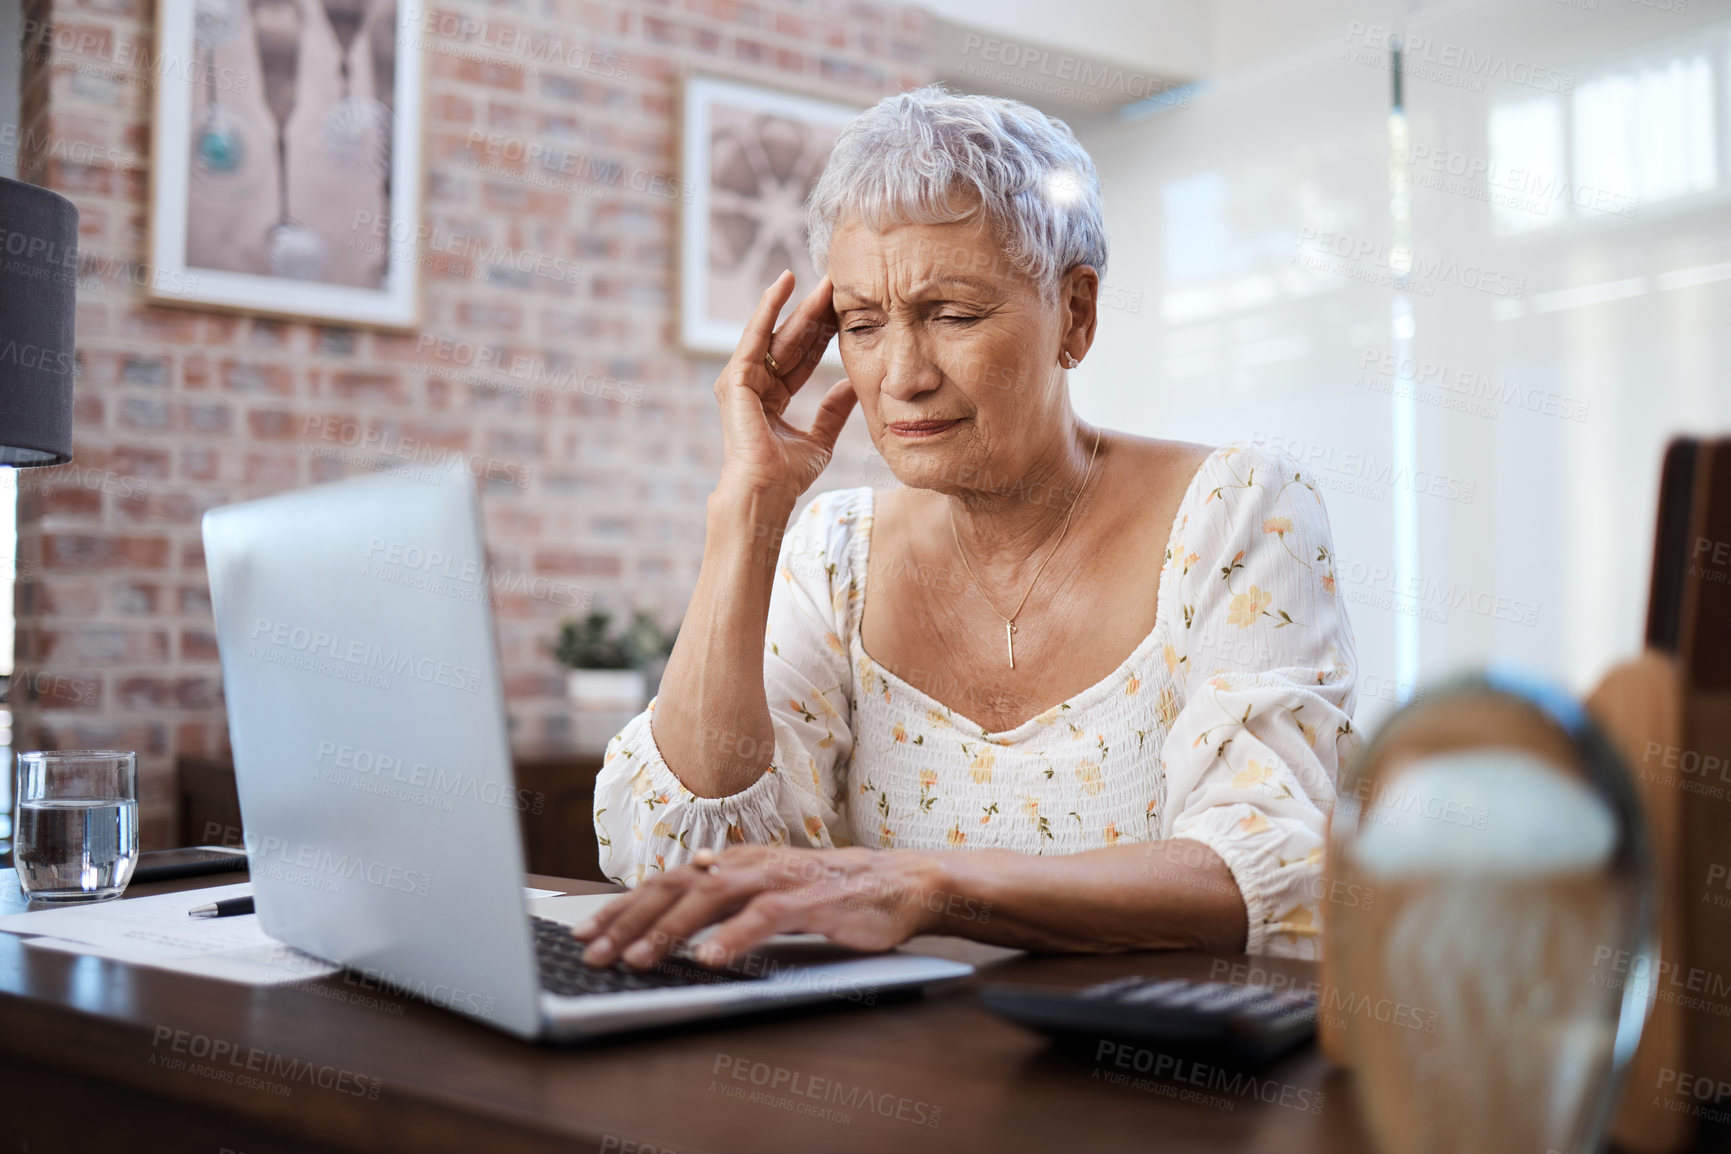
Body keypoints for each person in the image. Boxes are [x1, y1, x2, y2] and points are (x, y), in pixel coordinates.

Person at [581, 86, 1357, 973]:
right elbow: (675, 860)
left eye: (951, 314)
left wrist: (923, 886)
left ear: (1075, 313)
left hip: (1158, 1091)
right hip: (893, 1074)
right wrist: (748, 510)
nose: (902, 375)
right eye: (861, 325)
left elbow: (1272, 874)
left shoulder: (1240, 510)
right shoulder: (835, 553)